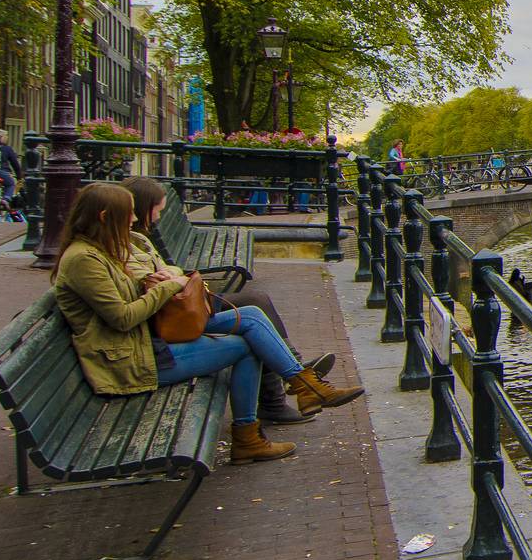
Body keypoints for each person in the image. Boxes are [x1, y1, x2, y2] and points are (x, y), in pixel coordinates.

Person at [53, 183, 299, 464]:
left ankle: (301, 383)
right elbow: (122, 318)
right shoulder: (84, 260)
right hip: (129, 361)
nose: (134, 220)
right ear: (105, 216)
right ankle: (250, 436)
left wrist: (153, 280)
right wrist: (167, 287)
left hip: (144, 343)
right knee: (245, 347)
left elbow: (133, 289)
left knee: (251, 315)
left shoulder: (100, 249)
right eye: (129, 214)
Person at [122, 177, 351, 424]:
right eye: (158, 210)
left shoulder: (139, 240)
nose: (158, 217)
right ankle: (295, 381)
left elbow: (170, 270)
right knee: (252, 317)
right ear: (141, 209)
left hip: (177, 308)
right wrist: (174, 280)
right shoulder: (122, 247)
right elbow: (148, 287)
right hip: (170, 319)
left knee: (254, 306)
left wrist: (175, 276)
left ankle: (295, 379)